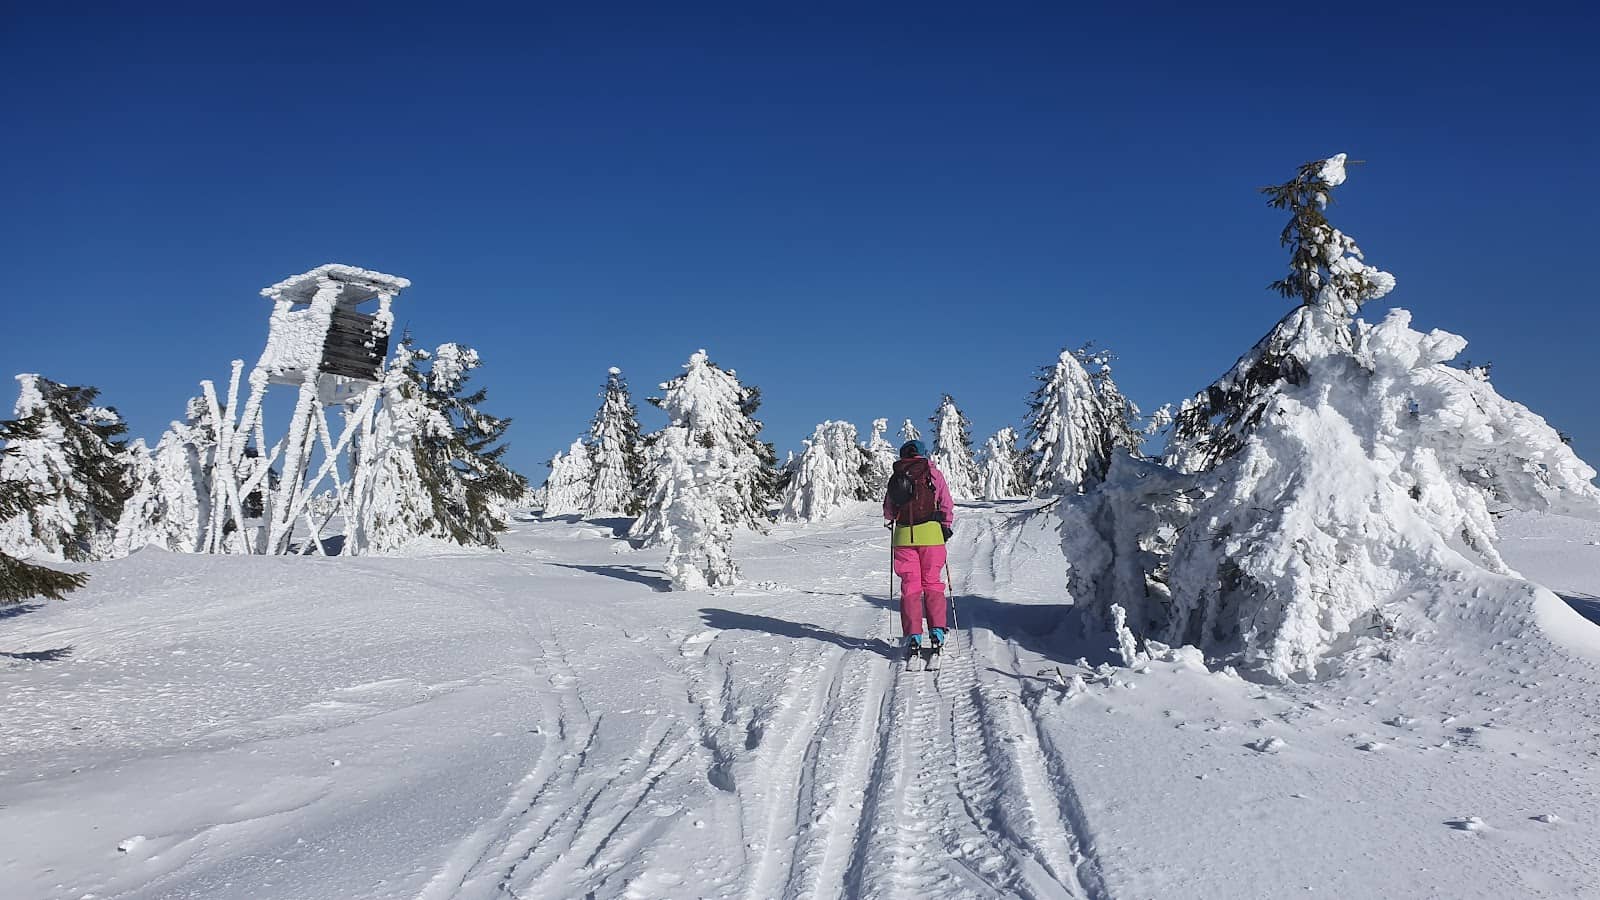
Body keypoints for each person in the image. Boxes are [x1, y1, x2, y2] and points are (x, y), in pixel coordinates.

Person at [883, 439, 954, 665]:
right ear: (924, 455)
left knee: (910, 587)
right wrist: (945, 527)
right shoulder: (933, 474)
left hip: (904, 537)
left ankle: (913, 636)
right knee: (932, 583)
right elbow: (946, 504)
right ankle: (937, 633)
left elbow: (888, 511)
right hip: (932, 535)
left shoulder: (897, 475)